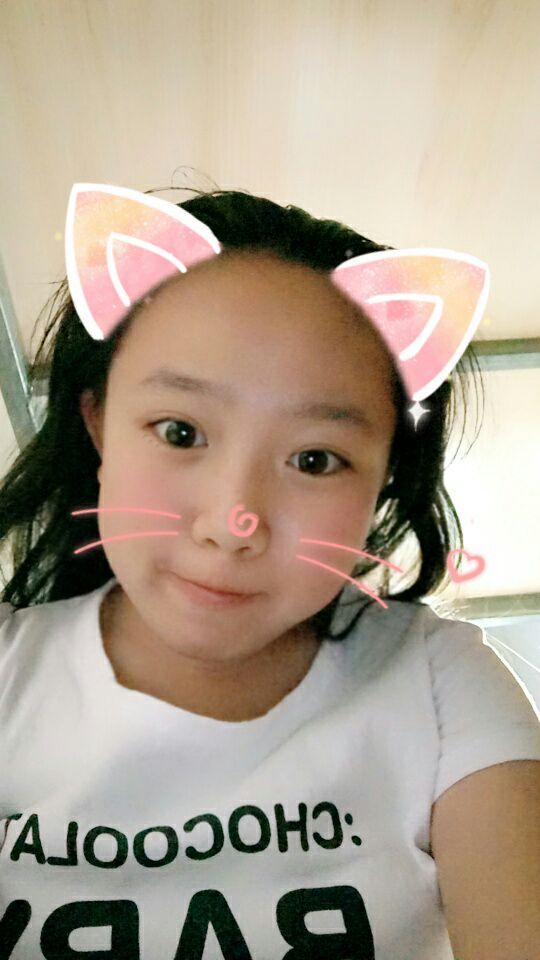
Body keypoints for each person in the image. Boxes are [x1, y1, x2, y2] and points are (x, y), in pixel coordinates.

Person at [0, 182, 538, 959]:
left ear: (384, 479)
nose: (233, 524)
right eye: (180, 432)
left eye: (315, 460)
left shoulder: (438, 682)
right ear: (99, 423)